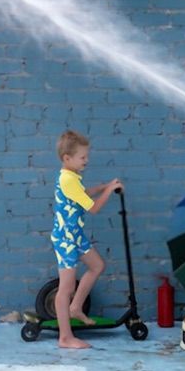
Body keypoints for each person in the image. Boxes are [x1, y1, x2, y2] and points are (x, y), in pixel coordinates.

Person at [51, 130, 123, 349]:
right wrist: (109, 191)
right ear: (67, 158)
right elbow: (93, 208)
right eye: (82, 157)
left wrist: (102, 186)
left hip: (76, 235)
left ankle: (75, 308)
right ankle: (65, 337)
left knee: (97, 265)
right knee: (66, 287)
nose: (86, 160)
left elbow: (82, 193)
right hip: (66, 239)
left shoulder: (72, 178)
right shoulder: (67, 179)